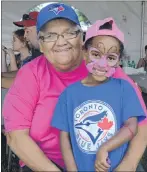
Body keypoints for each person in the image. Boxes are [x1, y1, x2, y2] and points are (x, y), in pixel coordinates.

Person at [2, 3, 147, 172]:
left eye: (69, 33)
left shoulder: (103, 67)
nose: (61, 41)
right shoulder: (30, 74)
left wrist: (127, 166)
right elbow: (17, 136)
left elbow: (141, 123)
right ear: (40, 45)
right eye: (50, 36)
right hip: (47, 163)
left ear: (81, 38)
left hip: (109, 161)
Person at [51, 18, 146, 172]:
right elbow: (64, 138)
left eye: (110, 58)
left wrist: (105, 148)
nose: (102, 64)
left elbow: (132, 126)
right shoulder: (69, 94)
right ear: (85, 53)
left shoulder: (124, 89)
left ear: (118, 61)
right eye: (96, 54)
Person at [1, 12, 41, 89]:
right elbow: (23, 73)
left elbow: (29, 82)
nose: (25, 35)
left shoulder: (47, 54)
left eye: (28, 31)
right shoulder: (36, 52)